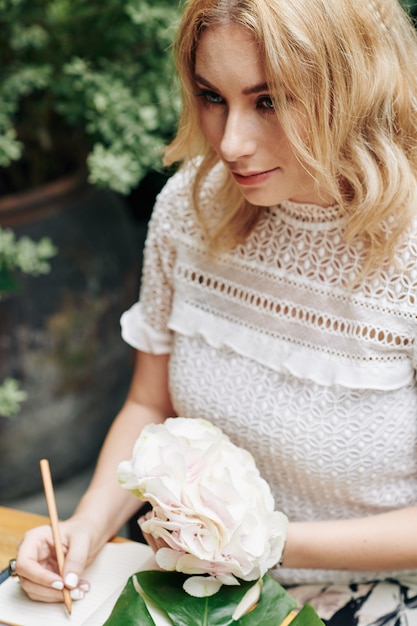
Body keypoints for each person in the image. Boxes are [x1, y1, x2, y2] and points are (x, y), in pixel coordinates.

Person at [15, 0, 417, 623]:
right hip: (201, 582)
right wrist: (87, 527)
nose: (230, 142)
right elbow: (151, 405)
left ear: (353, 85)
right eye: (211, 96)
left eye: (270, 100)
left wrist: (262, 544)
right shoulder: (188, 208)